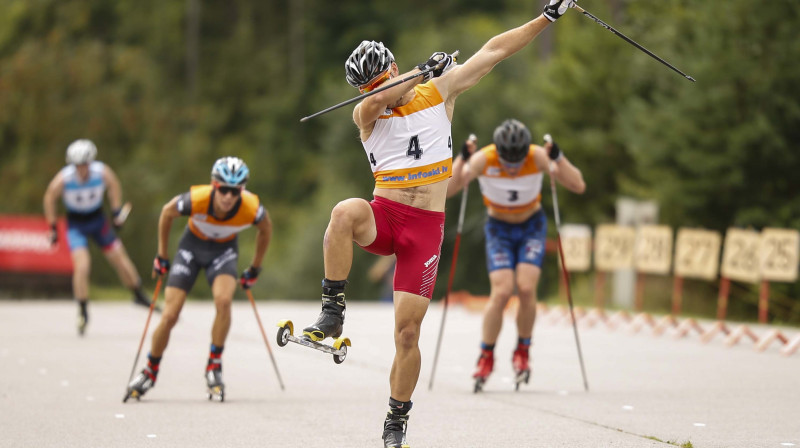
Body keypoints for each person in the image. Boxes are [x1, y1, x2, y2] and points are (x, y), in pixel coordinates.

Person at [300, 1, 577, 446]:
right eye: (371, 85)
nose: (380, 89)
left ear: (391, 64)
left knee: (408, 333)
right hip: (385, 216)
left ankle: (396, 420)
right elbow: (377, 99)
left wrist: (547, 17)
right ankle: (333, 310)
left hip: (424, 228)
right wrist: (417, 71)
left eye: (382, 77)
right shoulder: (367, 115)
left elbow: (495, 51)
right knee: (343, 212)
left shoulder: (439, 90)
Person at [447, 119, 585, 390]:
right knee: (500, 292)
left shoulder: (537, 156)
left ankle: (522, 350)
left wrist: (558, 157)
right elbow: (450, 189)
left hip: (531, 226)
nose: (512, 167)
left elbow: (578, 185)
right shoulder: (484, 159)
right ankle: (486, 355)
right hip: (498, 228)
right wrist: (462, 159)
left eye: (518, 161)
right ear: (497, 151)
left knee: (525, 288)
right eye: (507, 161)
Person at [125, 157, 272, 400]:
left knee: (224, 302)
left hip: (223, 252)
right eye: (223, 189)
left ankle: (214, 366)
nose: (228, 197)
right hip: (191, 249)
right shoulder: (197, 199)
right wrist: (161, 255)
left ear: (242, 191)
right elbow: (166, 213)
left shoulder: (251, 207)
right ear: (214, 186)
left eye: (234, 191)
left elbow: (266, 229)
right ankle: (150, 370)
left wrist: (255, 268)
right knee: (171, 315)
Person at [43, 139, 154, 336]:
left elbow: (114, 185)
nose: (82, 170)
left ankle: (138, 294)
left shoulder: (101, 172)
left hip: (97, 220)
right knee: (82, 266)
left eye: (85, 165)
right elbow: (50, 197)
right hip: (76, 224)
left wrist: (116, 211)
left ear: (90, 162)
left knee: (118, 257)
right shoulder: (65, 178)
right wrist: (52, 226)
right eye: (77, 166)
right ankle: (83, 310)